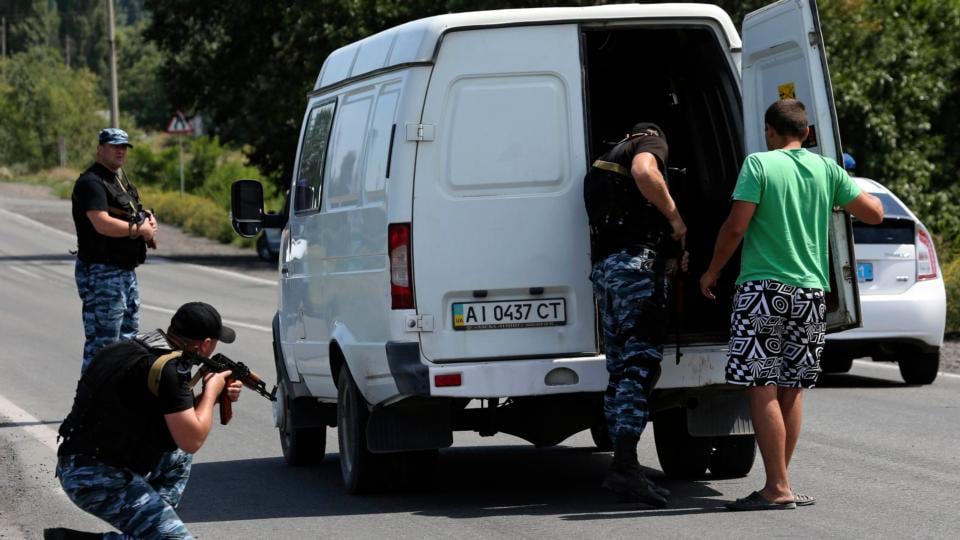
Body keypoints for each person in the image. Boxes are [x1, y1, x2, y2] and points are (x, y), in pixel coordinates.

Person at [698, 99, 883, 511]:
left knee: (761, 385)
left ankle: (777, 488)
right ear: (807, 133)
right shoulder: (827, 170)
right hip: (811, 293)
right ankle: (780, 483)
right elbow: (874, 213)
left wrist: (711, 271)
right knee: (793, 386)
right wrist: (835, 191)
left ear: (769, 130)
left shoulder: (759, 166)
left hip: (763, 290)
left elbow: (736, 227)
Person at [45, 302, 243, 539]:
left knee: (178, 457)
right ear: (206, 344)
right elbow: (192, 439)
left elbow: (176, 423)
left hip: (81, 462)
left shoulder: (133, 349)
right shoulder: (170, 370)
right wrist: (211, 391)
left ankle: (157, 524)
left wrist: (211, 399)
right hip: (96, 478)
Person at [583, 122, 687, 508]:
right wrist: (675, 219)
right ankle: (625, 467)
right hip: (634, 269)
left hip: (607, 270)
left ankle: (620, 463)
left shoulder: (600, 164)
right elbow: (646, 171)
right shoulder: (649, 142)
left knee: (620, 366)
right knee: (639, 367)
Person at [72, 128, 159, 373]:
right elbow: (101, 223)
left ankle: (115, 406)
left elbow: (132, 212)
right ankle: (88, 407)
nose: (120, 151)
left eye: (124, 147)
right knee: (103, 346)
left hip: (124, 271)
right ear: (100, 149)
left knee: (126, 345)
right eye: (114, 146)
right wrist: (139, 230)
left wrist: (148, 220)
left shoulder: (118, 179)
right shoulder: (92, 182)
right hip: (103, 271)